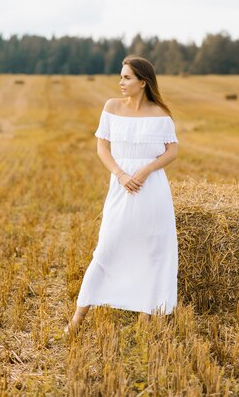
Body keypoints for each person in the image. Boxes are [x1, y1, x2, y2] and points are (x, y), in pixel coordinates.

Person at [64, 55, 179, 334]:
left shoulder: (160, 115)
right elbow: (102, 147)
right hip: (120, 188)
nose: (121, 82)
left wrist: (146, 170)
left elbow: (172, 151)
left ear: (143, 82)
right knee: (106, 248)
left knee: (152, 251)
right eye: (121, 77)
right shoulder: (111, 108)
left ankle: (146, 315)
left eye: (127, 77)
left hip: (152, 191)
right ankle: (77, 320)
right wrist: (121, 174)